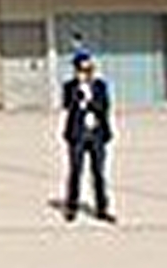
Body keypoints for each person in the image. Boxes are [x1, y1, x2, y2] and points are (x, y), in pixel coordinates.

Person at [60, 54, 114, 223]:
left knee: (99, 173)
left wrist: (90, 100)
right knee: (75, 171)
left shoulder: (100, 86)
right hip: (77, 134)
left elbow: (104, 106)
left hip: (97, 134)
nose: (87, 73)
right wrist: (79, 91)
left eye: (89, 69)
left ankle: (102, 208)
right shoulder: (70, 86)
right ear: (76, 70)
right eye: (83, 69)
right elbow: (67, 104)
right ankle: (71, 207)